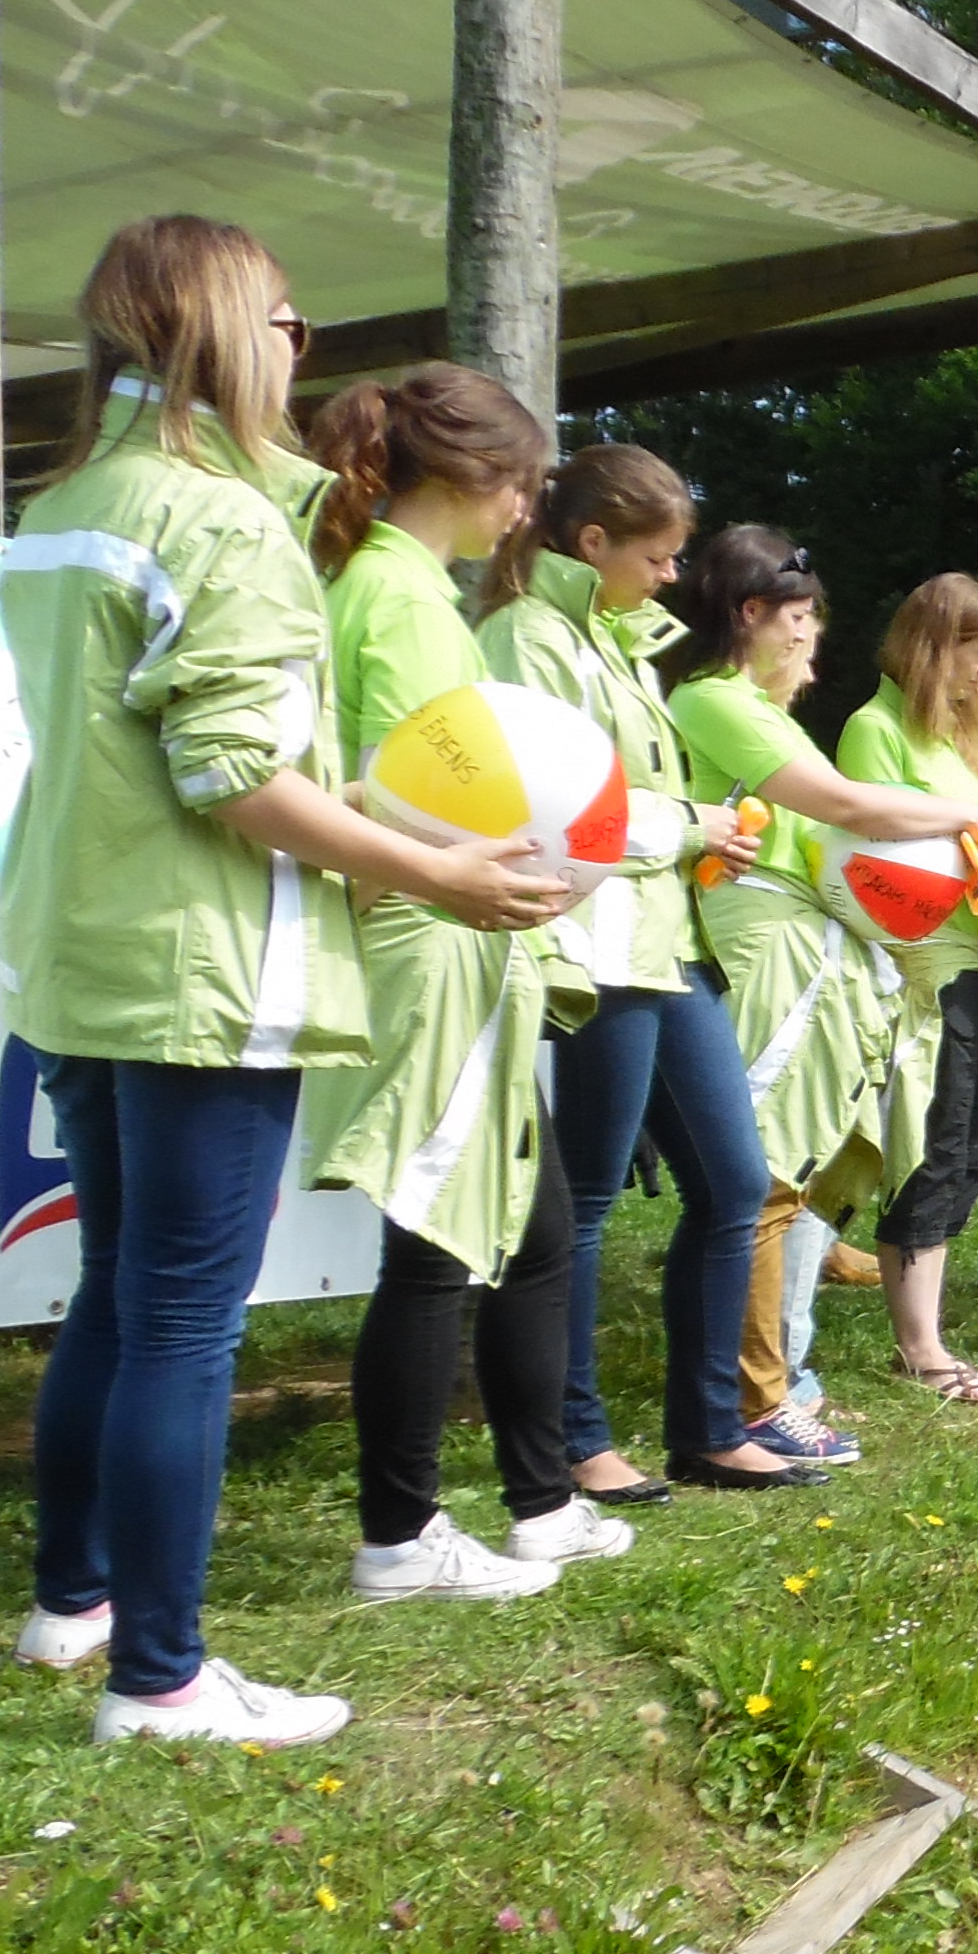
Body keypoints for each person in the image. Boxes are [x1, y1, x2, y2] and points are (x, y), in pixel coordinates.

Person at [0, 218, 563, 1745]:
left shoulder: (63, 505)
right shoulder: (221, 524)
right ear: (227, 334)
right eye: (290, 325)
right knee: (185, 1322)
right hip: (205, 967)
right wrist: (444, 876)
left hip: (80, 951)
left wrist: (405, 830)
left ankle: (75, 1604)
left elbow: (189, 751)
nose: (302, 354)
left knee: (118, 1292)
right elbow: (235, 775)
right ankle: (161, 1679)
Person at [303, 366, 618, 1607]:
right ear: (473, 476)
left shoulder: (404, 590)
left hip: (460, 938)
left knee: (532, 1232)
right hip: (429, 942)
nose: (527, 510)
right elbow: (422, 800)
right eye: (523, 483)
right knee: (436, 1242)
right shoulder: (395, 596)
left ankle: (542, 1505)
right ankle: (398, 1534)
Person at [476, 444, 797, 1500]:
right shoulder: (527, 635)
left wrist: (695, 839)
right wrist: (688, 825)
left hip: (665, 943)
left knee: (735, 1183)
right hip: (596, 948)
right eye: (658, 557)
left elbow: (630, 803)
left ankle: (707, 1429)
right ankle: (575, 1438)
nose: (672, 578)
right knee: (587, 1199)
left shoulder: (614, 640)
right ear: (592, 541)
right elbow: (554, 807)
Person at [657, 529, 978, 1474]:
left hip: (797, 941)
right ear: (751, 612)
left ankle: (756, 1393)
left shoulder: (751, 706)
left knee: (772, 1175)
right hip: (766, 944)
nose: (810, 639)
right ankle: (759, 1399)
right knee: (763, 1177)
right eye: (799, 619)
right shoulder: (715, 698)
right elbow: (847, 807)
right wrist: (972, 817)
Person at [834, 577, 978, 1404]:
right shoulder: (872, 728)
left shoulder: (962, 742)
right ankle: (921, 1350)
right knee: (932, 1148)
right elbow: (876, 841)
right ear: (939, 648)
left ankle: (925, 1338)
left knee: (967, 1151)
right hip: (923, 965)